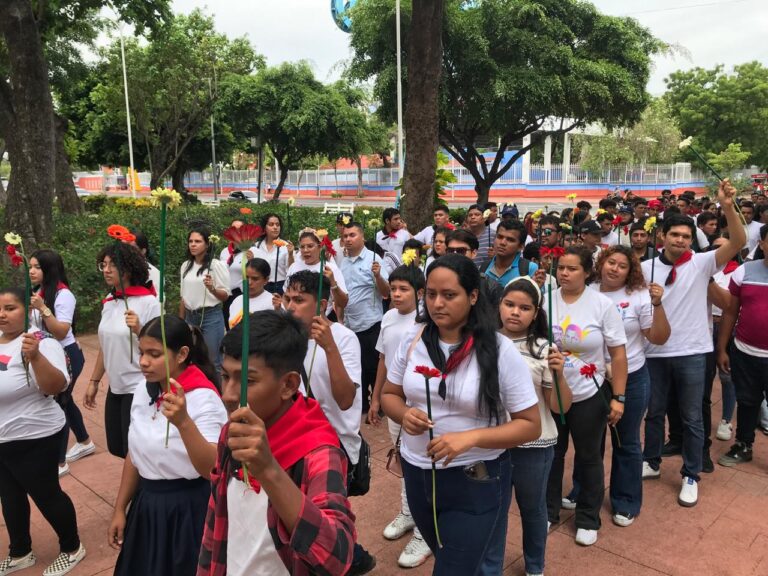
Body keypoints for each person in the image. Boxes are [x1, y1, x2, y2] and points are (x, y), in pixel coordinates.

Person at [381, 254, 540, 573]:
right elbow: (390, 394)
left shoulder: (498, 350)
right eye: (431, 294)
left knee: (453, 568)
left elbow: (530, 425)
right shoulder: (414, 341)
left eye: (449, 295)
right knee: (451, 557)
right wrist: (403, 415)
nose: (437, 303)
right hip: (417, 472)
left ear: (472, 296)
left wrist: (470, 438)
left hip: (475, 476)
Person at [196, 310, 356, 576]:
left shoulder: (318, 452)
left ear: (289, 385)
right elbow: (216, 521)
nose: (228, 394)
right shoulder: (231, 433)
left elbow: (336, 557)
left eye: (247, 381)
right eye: (225, 376)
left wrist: (269, 469)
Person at [640, 180, 746, 507]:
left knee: (691, 416)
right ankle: (652, 460)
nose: (681, 240)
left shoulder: (702, 264)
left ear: (692, 240)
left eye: (686, 236)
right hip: (654, 353)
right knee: (654, 413)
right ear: (663, 237)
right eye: (675, 235)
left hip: (692, 353)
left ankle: (690, 473)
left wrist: (727, 205)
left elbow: (739, 240)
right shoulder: (645, 270)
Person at [109, 316, 227, 576]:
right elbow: (135, 453)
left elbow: (212, 468)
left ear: (182, 354)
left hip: (187, 511)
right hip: (147, 505)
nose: (143, 362)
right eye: (141, 352)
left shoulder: (203, 399)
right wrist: (120, 507)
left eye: (154, 354)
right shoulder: (144, 390)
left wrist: (183, 422)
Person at [282, 271, 375, 575]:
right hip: (295, 442)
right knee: (297, 517)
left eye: (299, 300)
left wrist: (329, 347)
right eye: (287, 299)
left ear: (321, 304)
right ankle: (352, 556)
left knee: (324, 522)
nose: (291, 306)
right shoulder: (286, 339)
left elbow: (346, 399)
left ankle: (349, 557)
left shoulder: (345, 339)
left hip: (332, 445)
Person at [0, 287, 85, 576]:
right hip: (3, 439)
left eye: (10, 308)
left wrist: (35, 356)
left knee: (46, 494)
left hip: (34, 436)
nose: (2, 314)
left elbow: (56, 386)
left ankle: (72, 547)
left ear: (29, 310)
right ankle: (20, 551)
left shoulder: (41, 343)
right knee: (9, 496)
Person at [546, 246, 628, 546]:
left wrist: (618, 396)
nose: (564, 274)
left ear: (587, 272)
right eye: (561, 268)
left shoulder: (601, 305)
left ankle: (587, 517)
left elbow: (618, 355)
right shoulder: (546, 301)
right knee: (551, 455)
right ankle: (548, 511)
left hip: (589, 392)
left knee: (589, 457)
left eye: (572, 268)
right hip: (552, 392)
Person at [499, 277, 572, 576]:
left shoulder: (545, 349)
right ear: (499, 305)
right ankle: (490, 566)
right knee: (493, 511)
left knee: (532, 510)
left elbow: (560, 407)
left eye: (524, 307)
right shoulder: (483, 341)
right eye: (509, 304)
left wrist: (559, 375)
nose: (515, 312)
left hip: (533, 445)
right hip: (493, 443)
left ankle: (534, 568)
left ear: (536, 312)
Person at [593, 246, 670, 526]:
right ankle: (583, 489)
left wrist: (658, 304)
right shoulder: (588, 290)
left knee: (626, 441)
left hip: (632, 376)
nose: (614, 268)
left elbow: (659, 337)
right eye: (610, 262)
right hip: (591, 377)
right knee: (590, 441)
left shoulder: (639, 295)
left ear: (631, 271)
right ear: (601, 263)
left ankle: (625, 500)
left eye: (621, 265)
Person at [368, 265, 432, 569]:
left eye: (403, 289)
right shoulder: (389, 318)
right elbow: (383, 359)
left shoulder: (425, 321)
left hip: (418, 406)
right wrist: (376, 398)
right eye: (392, 289)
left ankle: (425, 531)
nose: (395, 294)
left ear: (419, 293)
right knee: (404, 461)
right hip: (395, 404)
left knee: (422, 467)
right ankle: (408, 513)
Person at [85, 242, 160, 458]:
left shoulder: (149, 303)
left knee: (134, 450)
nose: (106, 270)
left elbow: (159, 349)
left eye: (112, 265)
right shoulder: (109, 302)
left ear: (127, 269)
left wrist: (139, 330)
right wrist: (94, 381)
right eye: (104, 265)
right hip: (115, 386)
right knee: (117, 447)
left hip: (139, 385)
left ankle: (140, 491)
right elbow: (105, 346)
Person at [28, 250, 94, 477]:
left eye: (37, 267)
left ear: (49, 269)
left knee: (58, 403)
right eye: (30, 266)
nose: (31, 271)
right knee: (64, 399)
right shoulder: (40, 292)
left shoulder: (64, 295)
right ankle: (84, 441)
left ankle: (59, 462)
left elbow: (61, 330)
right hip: (49, 353)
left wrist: (42, 309)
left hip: (66, 354)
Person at [717, 224, 768, 467]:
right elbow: (730, 311)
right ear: (763, 243)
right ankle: (744, 444)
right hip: (745, 352)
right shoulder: (745, 271)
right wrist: (723, 348)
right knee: (747, 401)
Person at [341, 222, 390, 413]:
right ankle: (362, 405)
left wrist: (378, 276)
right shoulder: (343, 262)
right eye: (345, 236)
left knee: (373, 367)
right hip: (351, 324)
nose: (348, 239)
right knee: (357, 366)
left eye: (352, 235)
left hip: (371, 322)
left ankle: (379, 403)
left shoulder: (374, 259)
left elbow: (386, 293)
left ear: (362, 237)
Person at [179, 226, 230, 373]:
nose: (193, 244)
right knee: (191, 358)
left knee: (213, 360)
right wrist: (181, 322)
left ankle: (217, 393)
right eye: (190, 241)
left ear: (207, 244)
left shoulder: (216, 266)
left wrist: (212, 288)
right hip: (190, 316)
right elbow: (183, 297)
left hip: (210, 316)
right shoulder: (186, 266)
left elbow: (225, 295)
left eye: (198, 241)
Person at [284, 229, 348, 318]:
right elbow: (286, 296)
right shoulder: (294, 267)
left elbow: (343, 303)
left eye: (310, 246)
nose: (305, 250)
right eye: (302, 247)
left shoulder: (330, 269)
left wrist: (333, 283)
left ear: (320, 247)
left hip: (322, 319)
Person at [446, 229, 503, 309]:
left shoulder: (490, 287)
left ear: (474, 253)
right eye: (450, 251)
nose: (455, 255)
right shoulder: (437, 282)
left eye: (461, 251)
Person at [485, 220, 538, 287]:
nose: (502, 243)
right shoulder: (484, 267)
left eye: (510, 240)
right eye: (499, 237)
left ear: (521, 246)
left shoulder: (529, 269)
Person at [252, 213, 295, 295]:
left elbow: (291, 271)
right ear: (264, 228)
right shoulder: (257, 246)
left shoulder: (286, 246)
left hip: (280, 287)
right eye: (271, 224)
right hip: (261, 286)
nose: (275, 227)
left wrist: (290, 255)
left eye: (277, 225)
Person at [228, 258, 276, 329]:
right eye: (247, 277)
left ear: (266, 280)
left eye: (255, 279)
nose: (249, 283)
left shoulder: (273, 303)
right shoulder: (237, 301)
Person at [219, 219, 246, 327]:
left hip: (242, 295)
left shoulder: (250, 251)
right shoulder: (224, 252)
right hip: (227, 297)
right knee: (229, 325)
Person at [465, 203, 495, 271]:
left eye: (477, 215)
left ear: (484, 218)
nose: (473, 217)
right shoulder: (463, 235)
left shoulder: (493, 235)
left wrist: (495, 256)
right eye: (470, 215)